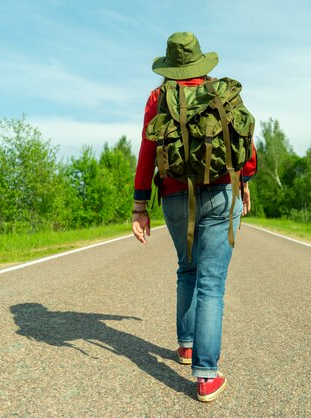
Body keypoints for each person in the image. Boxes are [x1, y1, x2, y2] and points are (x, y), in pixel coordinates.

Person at [131, 32, 257, 402]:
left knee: (187, 268)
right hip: (221, 191)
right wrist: (244, 181)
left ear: (170, 65)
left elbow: (147, 152)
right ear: (201, 62)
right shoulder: (221, 91)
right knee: (211, 283)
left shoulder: (158, 98)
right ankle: (206, 375)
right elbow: (245, 144)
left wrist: (140, 206)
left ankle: (186, 347)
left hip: (173, 196)